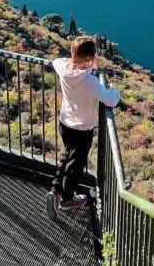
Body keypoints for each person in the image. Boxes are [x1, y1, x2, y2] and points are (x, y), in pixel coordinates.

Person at [47, 36, 120, 212]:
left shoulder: (63, 68)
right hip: (82, 128)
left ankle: (55, 190)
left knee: (67, 156)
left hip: (65, 123)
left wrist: (81, 62)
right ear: (89, 58)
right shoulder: (89, 82)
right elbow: (111, 101)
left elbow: (57, 60)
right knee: (76, 166)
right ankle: (66, 200)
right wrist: (115, 89)